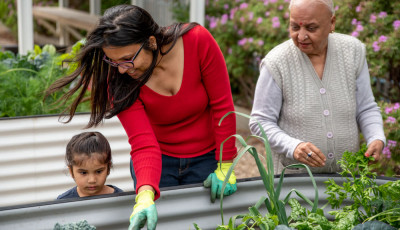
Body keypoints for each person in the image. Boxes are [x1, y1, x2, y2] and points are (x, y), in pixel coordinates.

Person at [45, 4, 238, 230]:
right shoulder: (117, 80)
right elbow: (143, 143)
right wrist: (145, 194)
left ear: (152, 42)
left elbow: (223, 107)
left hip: (208, 158)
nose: (121, 70)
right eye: (113, 61)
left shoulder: (197, 41)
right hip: (158, 164)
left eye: (127, 59)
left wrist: (225, 164)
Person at [249, 0, 386, 175]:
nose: (301, 36)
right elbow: (260, 121)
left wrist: (376, 137)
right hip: (295, 184)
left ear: (332, 23)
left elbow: (366, 107)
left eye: (311, 28)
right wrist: (293, 146)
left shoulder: (353, 52)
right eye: (295, 27)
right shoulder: (277, 62)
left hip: (346, 179)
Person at [57, 131, 123, 199]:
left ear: (108, 168)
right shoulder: (62, 203)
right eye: (84, 173)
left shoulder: (121, 199)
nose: (92, 180)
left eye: (98, 171)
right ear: (71, 171)